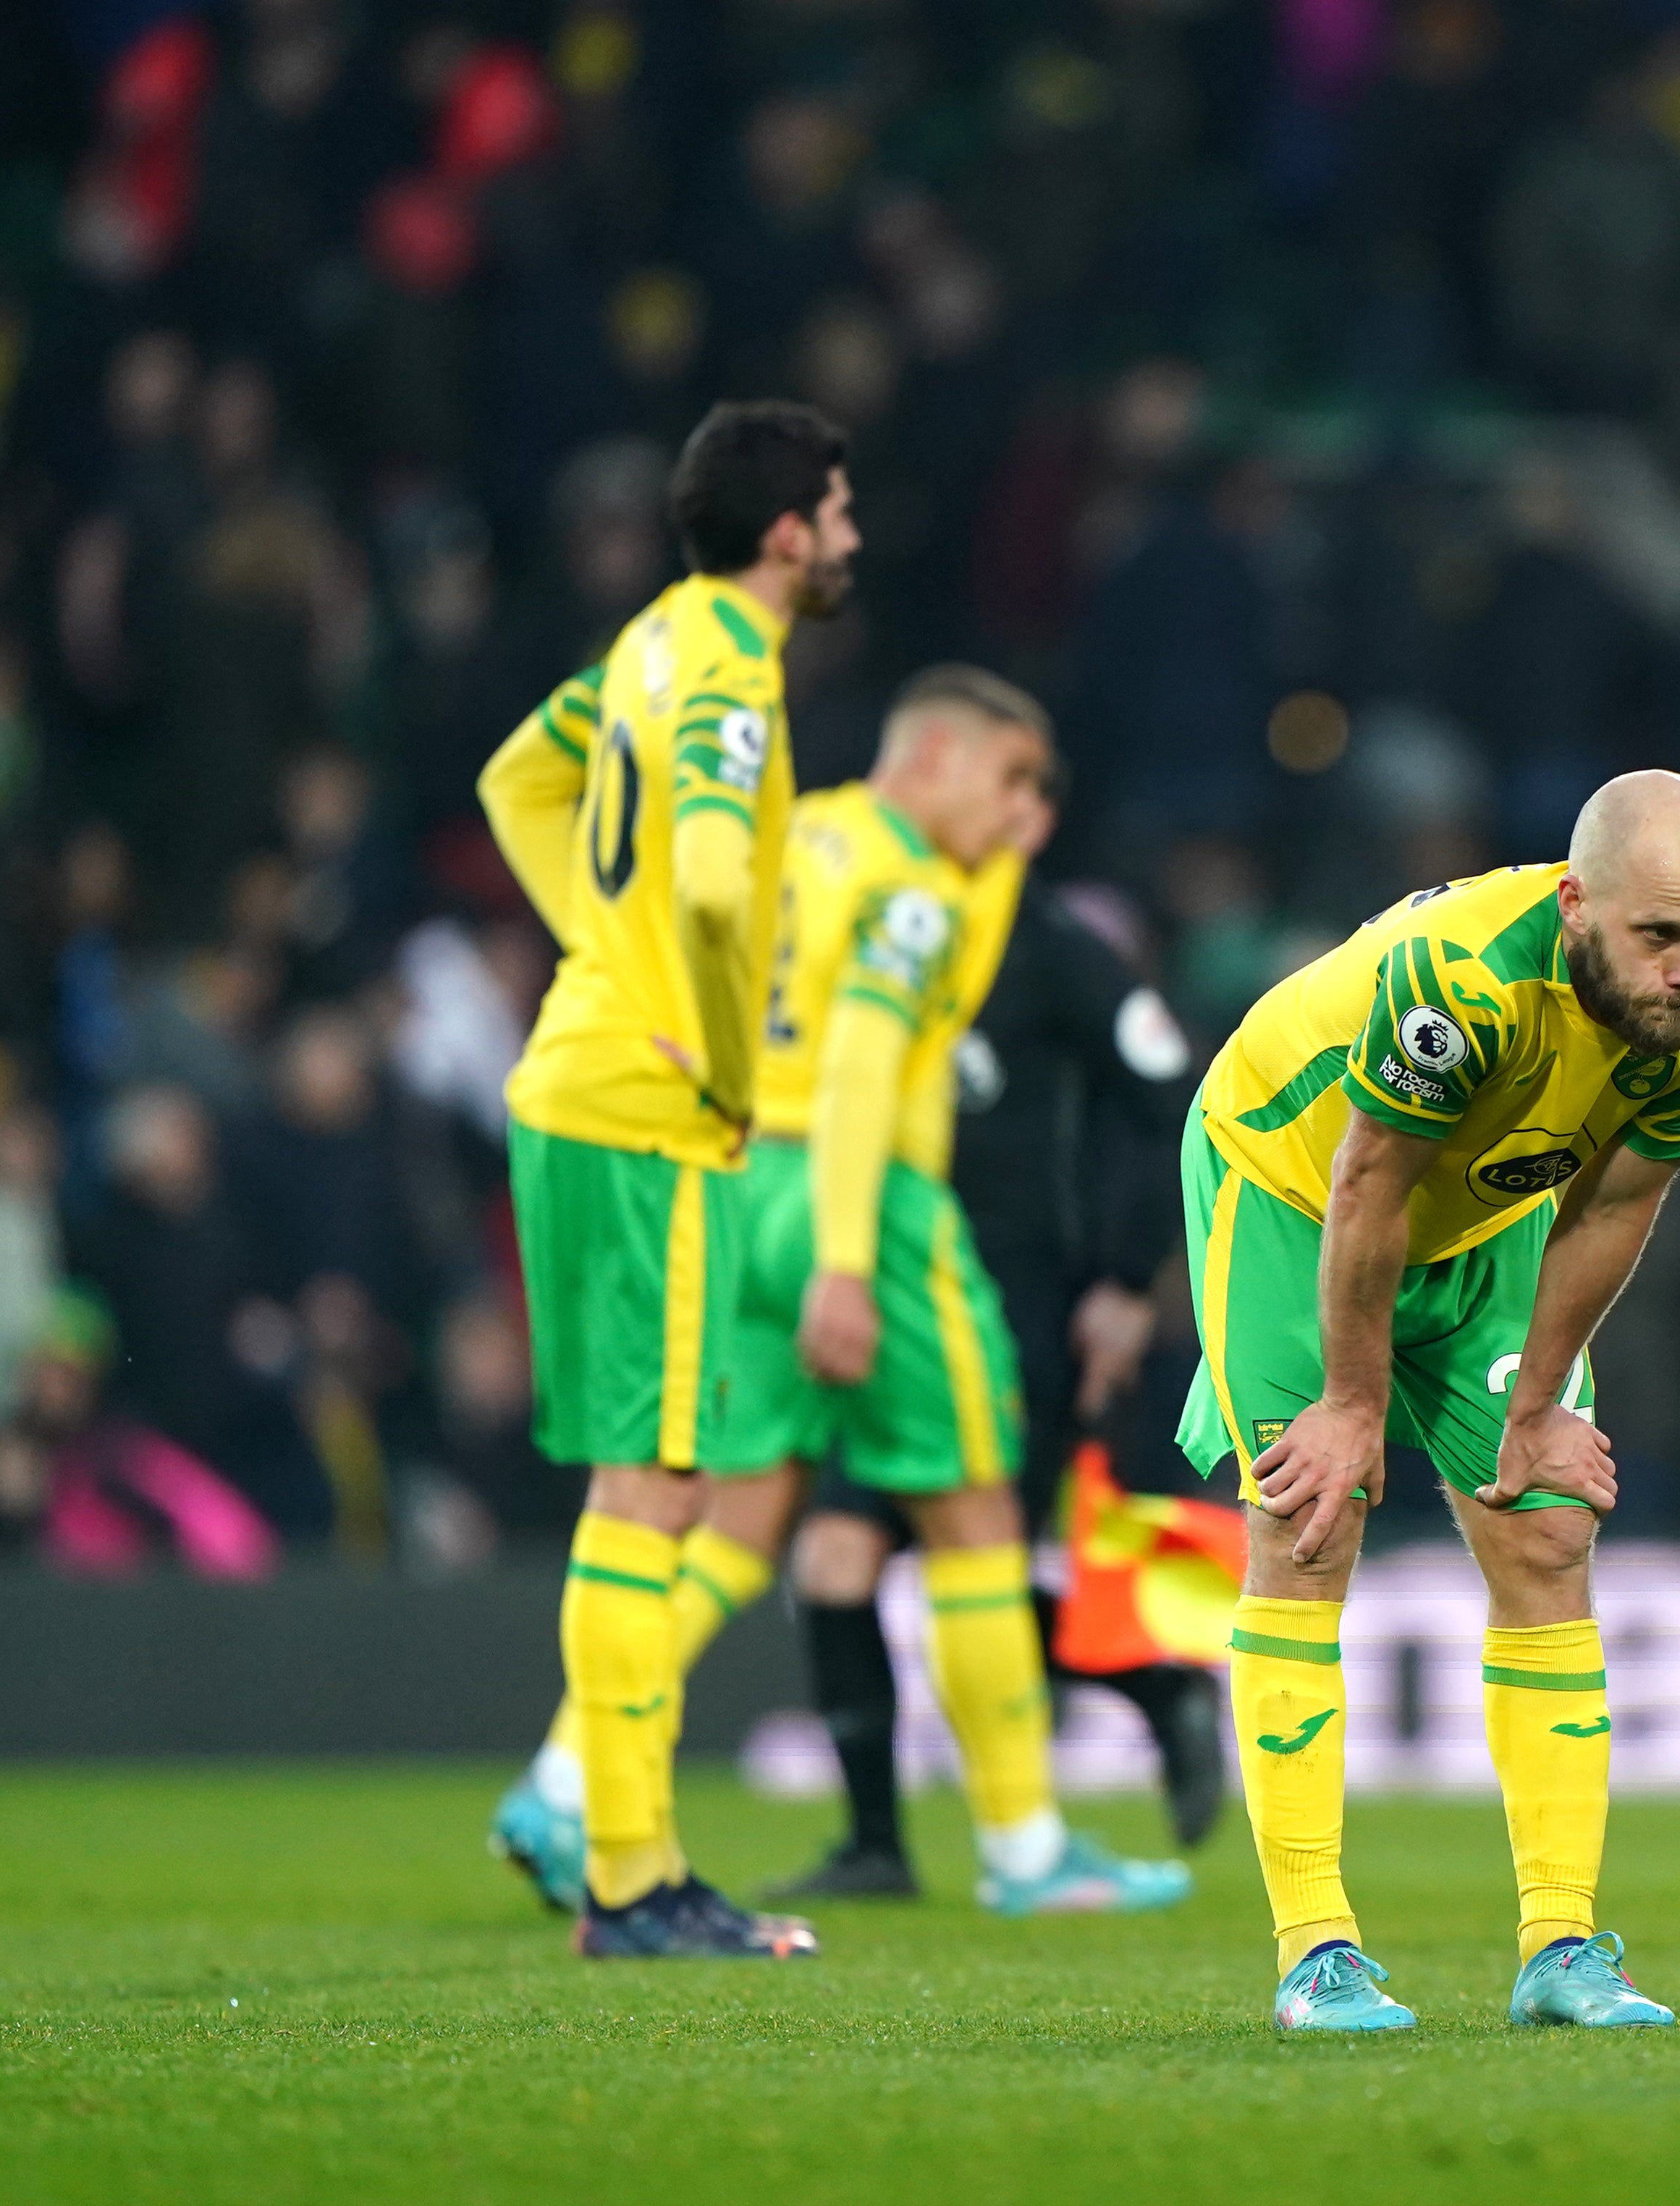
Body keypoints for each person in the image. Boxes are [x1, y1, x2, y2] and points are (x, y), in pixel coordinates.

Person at [1181, 771, 1680, 2032]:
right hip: (1295, 1188)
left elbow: (1619, 1201)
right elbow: (1368, 1187)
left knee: (1550, 1519)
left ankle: (1563, 1947)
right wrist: (1352, 1401)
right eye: (1658, 937)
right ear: (1576, 906)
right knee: (1311, 1518)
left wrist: (1542, 1403)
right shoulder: (1458, 978)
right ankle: (1315, 1954)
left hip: (1493, 1205)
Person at [476, 399, 854, 1959]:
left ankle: (630, 1868)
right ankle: (630, 1879)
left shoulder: (645, 644)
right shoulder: (734, 669)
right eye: (837, 509)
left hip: (585, 1077)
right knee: (652, 1487)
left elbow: (517, 785)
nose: (849, 535)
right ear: (786, 534)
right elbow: (706, 885)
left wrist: (593, 945)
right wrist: (710, 1048)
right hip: (642, 1104)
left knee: (648, 1483)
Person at [771, 734, 1219, 1903]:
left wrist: (1124, 1277)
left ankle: (1123, 1718)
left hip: (1010, 1300)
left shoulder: (1056, 950)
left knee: (955, 1543)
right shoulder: (885, 912)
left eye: (1031, 800)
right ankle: (880, 1842)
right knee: (840, 1553)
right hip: (869, 1274)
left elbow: (1163, 1095)